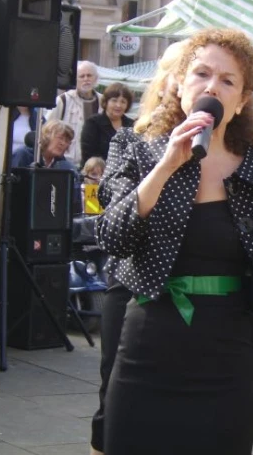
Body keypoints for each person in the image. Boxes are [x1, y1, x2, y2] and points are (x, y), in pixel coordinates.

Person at [96, 29, 253, 455]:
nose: (212, 86)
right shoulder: (133, 149)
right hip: (147, 350)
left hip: (226, 357)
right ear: (178, 82)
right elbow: (112, 237)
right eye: (202, 73)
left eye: (228, 80)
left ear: (243, 99)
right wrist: (167, 165)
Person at [90, 39, 188, 455]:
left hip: (187, 294)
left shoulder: (228, 154)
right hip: (129, 281)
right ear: (166, 82)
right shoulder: (130, 141)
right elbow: (111, 219)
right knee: (113, 385)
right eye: (180, 72)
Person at [45, 60, 103, 166]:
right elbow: (46, 130)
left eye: (89, 76)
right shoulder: (63, 100)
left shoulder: (103, 102)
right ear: (75, 80)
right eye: (82, 76)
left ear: (96, 79)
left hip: (93, 166)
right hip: (65, 162)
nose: (86, 79)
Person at [79, 82, 134, 166]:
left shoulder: (132, 125)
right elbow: (88, 155)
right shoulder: (93, 123)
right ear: (106, 102)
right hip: (97, 173)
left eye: (123, 102)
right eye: (114, 100)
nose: (118, 105)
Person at [11, 120, 77, 174]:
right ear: (47, 136)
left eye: (67, 141)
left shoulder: (64, 165)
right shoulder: (24, 155)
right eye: (60, 138)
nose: (63, 143)